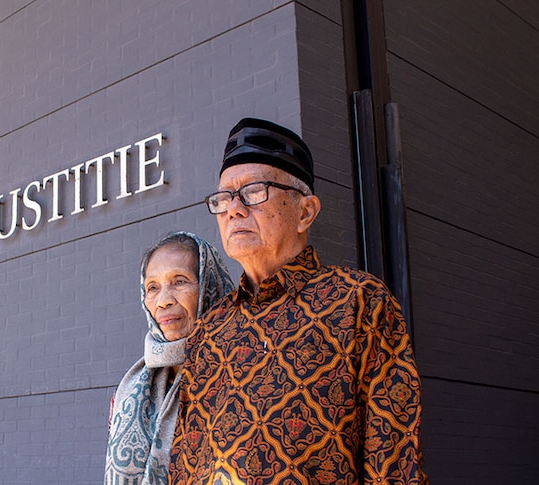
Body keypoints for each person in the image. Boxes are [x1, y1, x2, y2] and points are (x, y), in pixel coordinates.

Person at [169, 118, 428, 484]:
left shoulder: (358, 303)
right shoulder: (210, 329)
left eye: (254, 191)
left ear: (305, 212)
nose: (233, 209)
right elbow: (186, 462)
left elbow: (395, 463)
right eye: (224, 197)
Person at [106, 231, 235, 485]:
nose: (163, 301)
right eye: (152, 287)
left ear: (208, 286)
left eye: (179, 281)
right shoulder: (132, 387)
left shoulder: (244, 372)